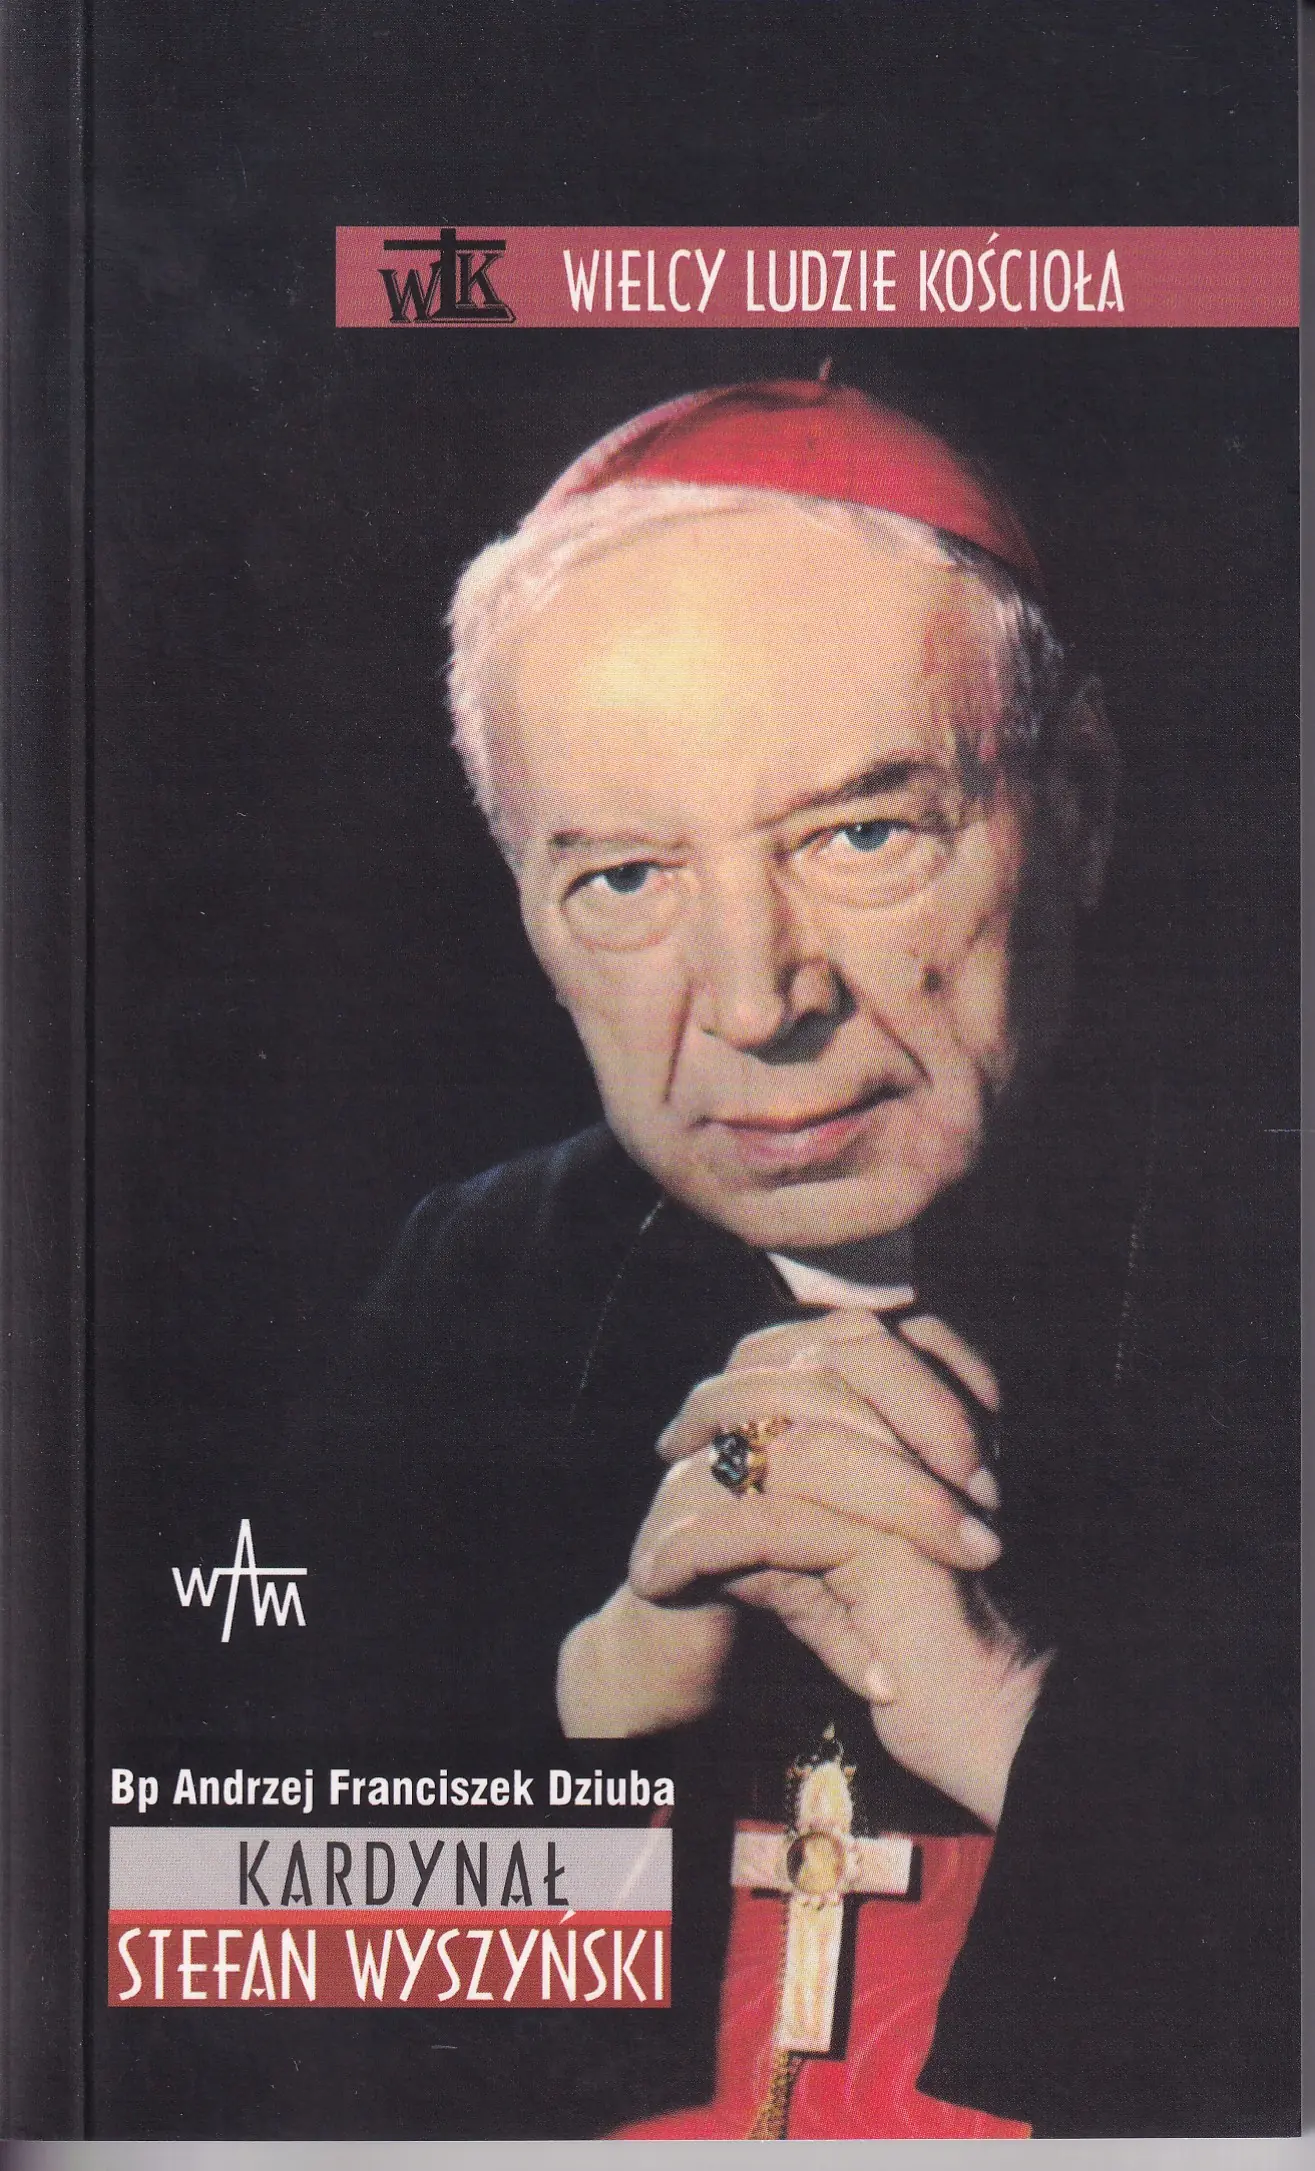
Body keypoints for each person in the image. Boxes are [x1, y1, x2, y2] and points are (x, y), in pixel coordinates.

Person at [327, 377, 1296, 2137]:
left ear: (1078, 799)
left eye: (861, 834)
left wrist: (1000, 1713)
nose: (756, 1001)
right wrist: (610, 1682)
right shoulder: (480, 1280)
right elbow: (245, 2011)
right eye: (624, 878)